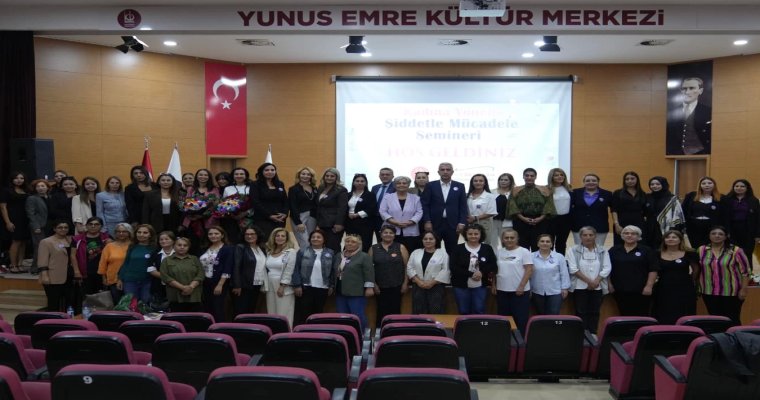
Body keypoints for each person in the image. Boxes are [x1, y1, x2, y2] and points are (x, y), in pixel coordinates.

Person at [696, 226, 751, 325]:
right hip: (709, 291)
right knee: (715, 320)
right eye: (713, 233)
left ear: (726, 236)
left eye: (720, 234)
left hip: (731, 292)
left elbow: (746, 272)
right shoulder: (701, 250)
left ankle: (735, 335)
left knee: (732, 319)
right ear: (709, 236)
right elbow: (697, 268)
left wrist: (744, 289)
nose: (717, 236)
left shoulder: (736, 250)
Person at [567, 226, 611, 335]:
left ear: (595, 236)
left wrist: (596, 281)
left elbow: (607, 268)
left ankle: (593, 334)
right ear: (580, 237)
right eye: (585, 235)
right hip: (579, 287)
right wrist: (589, 282)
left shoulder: (603, 250)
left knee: (595, 312)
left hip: (597, 286)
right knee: (580, 312)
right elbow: (573, 269)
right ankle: (581, 335)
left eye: (591, 235)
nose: (588, 237)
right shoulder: (573, 250)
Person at [608, 225, 658, 317]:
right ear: (622, 236)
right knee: (624, 314)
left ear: (638, 236)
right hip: (619, 289)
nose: (629, 235)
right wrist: (609, 284)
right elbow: (607, 268)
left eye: (633, 234)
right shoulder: (614, 250)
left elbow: (653, 269)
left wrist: (649, 286)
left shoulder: (646, 250)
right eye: (626, 233)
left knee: (641, 315)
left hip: (641, 290)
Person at [292, 229, 339, 325]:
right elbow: (295, 269)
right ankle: (302, 332)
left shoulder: (330, 253)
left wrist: (331, 285)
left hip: (323, 288)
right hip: (305, 287)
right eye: (313, 237)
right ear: (310, 239)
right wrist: (297, 285)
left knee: (318, 314)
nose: (315, 239)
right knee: (303, 313)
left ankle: (315, 332)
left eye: (318, 237)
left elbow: (333, 271)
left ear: (324, 239)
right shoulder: (302, 251)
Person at [492, 229, 533, 334]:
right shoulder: (499, 252)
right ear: (502, 239)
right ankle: (505, 339)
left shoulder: (524, 251)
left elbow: (529, 270)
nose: (509, 240)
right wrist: (494, 284)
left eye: (512, 237)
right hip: (502, 290)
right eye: (506, 238)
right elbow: (495, 270)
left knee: (520, 319)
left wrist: (521, 286)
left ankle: (520, 340)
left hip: (519, 291)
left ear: (517, 239)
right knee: (504, 319)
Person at [421, 162, 468, 254]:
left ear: (452, 172)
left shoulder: (460, 186)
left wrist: (462, 222)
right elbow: (425, 205)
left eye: (448, 170)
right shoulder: (430, 185)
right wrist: (427, 221)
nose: (445, 172)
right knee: (433, 249)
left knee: (452, 250)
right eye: (442, 170)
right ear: (438, 172)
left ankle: (451, 264)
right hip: (434, 224)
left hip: (453, 224)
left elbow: (463, 206)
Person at [652, 230, 698, 324]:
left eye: (674, 237)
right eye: (668, 237)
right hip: (663, 287)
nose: (670, 239)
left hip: (684, 287)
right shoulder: (656, 254)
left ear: (680, 240)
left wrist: (690, 281)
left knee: (684, 311)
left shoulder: (690, 253)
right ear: (664, 240)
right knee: (663, 311)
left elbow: (696, 270)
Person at [450, 224, 497, 315]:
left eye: (476, 234)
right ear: (465, 234)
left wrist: (481, 273)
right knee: (463, 310)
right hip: (461, 286)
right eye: (470, 234)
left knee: (479, 310)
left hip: (480, 286)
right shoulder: (457, 248)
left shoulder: (487, 248)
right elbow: (453, 267)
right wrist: (471, 274)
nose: (473, 236)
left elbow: (493, 265)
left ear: (481, 234)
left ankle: (477, 325)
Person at [370, 225, 409, 327]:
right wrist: (374, 284)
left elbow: (407, 267)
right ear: (381, 234)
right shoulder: (373, 248)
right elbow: (369, 269)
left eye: (391, 233)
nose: (388, 235)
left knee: (395, 310)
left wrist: (405, 283)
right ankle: (380, 332)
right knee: (381, 311)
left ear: (394, 235)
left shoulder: (400, 247)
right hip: (380, 287)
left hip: (397, 285)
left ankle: (395, 332)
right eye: (385, 232)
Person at [508, 168, 556, 251]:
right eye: (527, 175)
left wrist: (540, 218)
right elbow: (512, 206)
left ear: (535, 177)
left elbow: (549, 205)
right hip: (521, 221)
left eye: (532, 176)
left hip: (540, 221)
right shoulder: (515, 190)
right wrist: (523, 218)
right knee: (522, 246)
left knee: (538, 245)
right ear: (523, 177)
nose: (529, 177)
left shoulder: (544, 189)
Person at [334, 234, 374, 331]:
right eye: (347, 241)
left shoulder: (364, 256)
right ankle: (345, 335)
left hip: (356, 292)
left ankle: (362, 335)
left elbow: (369, 272)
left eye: (353, 242)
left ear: (359, 244)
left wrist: (369, 288)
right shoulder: (339, 255)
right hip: (340, 291)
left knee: (357, 316)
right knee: (342, 316)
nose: (350, 243)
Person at [38, 220, 79, 312]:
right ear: (54, 229)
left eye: (65, 227)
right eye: (60, 227)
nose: (63, 229)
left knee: (69, 302)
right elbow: (42, 260)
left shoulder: (71, 240)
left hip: (69, 275)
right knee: (54, 302)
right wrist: (44, 275)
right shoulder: (46, 242)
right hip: (53, 276)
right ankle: (53, 319)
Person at [666, 77, 712, 155]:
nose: (687, 92)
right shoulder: (671, 113)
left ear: (700, 91)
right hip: (676, 154)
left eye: (691, 88)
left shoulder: (709, 111)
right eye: (684, 89)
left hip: (702, 153)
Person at [407, 231, 450, 314]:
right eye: (425, 239)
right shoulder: (415, 252)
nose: (428, 241)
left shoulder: (443, 254)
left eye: (431, 239)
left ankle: (436, 323)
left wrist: (432, 282)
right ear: (422, 240)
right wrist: (419, 282)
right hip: (418, 286)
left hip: (436, 287)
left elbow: (445, 270)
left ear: (436, 240)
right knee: (419, 310)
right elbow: (410, 268)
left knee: (436, 310)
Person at [719, 179, 760, 267]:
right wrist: (725, 231)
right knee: (732, 253)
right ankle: (733, 273)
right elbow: (723, 216)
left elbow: (758, 218)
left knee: (747, 253)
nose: (739, 188)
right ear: (733, 188)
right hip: (731, 230)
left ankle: (748, 273)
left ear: (747, 188)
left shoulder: (754, 200)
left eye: (742, 186)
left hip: (748, 231)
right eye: (737, 186)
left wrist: (757, 234)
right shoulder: (727, 199)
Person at [379, 175, 423, 253]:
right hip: (391, 230)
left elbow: (419, 212)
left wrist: (410, 222)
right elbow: (382, 211)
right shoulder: (387, 197)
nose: (401, 185)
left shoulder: (415, 198)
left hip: (411, 231)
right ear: (395, 185)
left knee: (410, 252)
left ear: (408, 185)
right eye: (398, 183)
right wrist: (394, 222)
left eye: (404, 183)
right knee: (391, 254)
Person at [199, 226, 234, 322]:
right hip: (205, 282)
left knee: (218, 308)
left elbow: (228, 268)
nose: (213, 236)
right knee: (207, 308)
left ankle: (219, 328)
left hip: (219, 282)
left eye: (216, 233)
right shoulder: (205, 248)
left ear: (222, 235)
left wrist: (220, 284)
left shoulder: (227, 249)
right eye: (210, 234)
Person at [161, 237, 204, 312]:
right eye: (179, 245)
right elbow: (165, 277)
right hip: (175, 296)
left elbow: (201, 274)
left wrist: (191, 287)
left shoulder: (194, 259)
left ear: (188, 247)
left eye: (185, 245)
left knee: (194, 317)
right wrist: (183, 288)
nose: (182, 247)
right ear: (174, 246)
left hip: (194, 295)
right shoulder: (167, 260)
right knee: (177, 317)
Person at [530, 234, 570, 315]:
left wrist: (565, 288)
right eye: (542, 241)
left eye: (548, 241)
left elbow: (564, 273)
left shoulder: (559, 257)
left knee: (553, 315)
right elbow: (528, 274)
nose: (545, 243)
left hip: (555, 291)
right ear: (538, 244)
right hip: (537, 291)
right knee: (540, 315)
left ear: (551, 244)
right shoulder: (531, 256)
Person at [264, 227, 297, 326]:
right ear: (273, 238)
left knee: (283, 313)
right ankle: (274, 333)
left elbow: (289, 270)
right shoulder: (269, 252)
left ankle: (286, 333)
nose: (280, 238)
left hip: (283, 285)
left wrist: (282, 286)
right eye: (277, 236)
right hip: (270, 284)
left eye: (283, 236)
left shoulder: (291, 252)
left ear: (287, 238)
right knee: (271, 312)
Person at [232, 225, 267, 316]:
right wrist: (237, 285)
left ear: (257, 235)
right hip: (244, 285)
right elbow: (236, 266)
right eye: (246, 234)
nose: (249, 236)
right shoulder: (240, 247)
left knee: (251, 310)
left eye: (252, 234)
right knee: (240, 311)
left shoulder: (261, 248)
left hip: (257, 284)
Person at [181, 168, 219, 250]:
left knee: (206, 243)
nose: (203, 177)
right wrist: (191, 214)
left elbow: (216, 205)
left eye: (205, 175)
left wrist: (202, 215)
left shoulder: (214, 189)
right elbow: (187, 203)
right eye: (200, 175)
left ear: (209, 177)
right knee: (193, 243)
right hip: (192, 220)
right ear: (197, 177)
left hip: (207, 220)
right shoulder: (191, 189)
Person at [117, 224, 157, 304]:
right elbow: (126, 263)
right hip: (130, 281)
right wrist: (120, 279)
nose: (141, 235)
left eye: (145, 233)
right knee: (131, 305)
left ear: (150, 235)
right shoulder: (132, 246)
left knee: (146, 304)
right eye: (139, 232)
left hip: (147, 281)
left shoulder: (155, 248)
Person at [71, 217, 111, 295]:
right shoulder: (77, 239)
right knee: (86, 297)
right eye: (90, 224)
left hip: (103, 273)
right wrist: (76, 271)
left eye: (96, 224)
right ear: (86, 225)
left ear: (101, 226)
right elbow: (73, 256)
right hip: (85, 273)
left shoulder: (107, 238)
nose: (93, 226)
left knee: (103, 297)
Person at [570, 173, 612, 247]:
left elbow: (614, 209)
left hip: (600, 226)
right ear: (584, 182)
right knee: (579, 248)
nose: (591, 182)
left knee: (598, 248)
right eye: (588, 180)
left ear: (598, 182)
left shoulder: (607, 194)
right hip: (579, 226)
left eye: (594, 180)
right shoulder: (575, 192)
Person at [1, 172, 30, 274]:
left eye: (21, 178)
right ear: (12, 179)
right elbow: (3, 207)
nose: (19, 180)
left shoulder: (26, 190)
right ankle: (13, 265)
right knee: (16, 241)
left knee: (23, 242)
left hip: (25, 218)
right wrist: (8, 222)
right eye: (16, 178)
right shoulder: (6, 190)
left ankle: (20, 264)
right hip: (13, 218)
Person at [250, 163, 289, 240]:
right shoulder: (255, 184)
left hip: (279, 218)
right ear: (261, 172)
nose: (270, 172)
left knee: (278, 240)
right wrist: (269, 215)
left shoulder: (280, 184)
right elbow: (255, 202)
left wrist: (285, 213)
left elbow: (285, 200)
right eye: (267, 170)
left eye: (272, 170)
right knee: (265, 240)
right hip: (263, 218)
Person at [644, 176, 685, 249]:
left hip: (667, 227)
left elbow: (678, 216)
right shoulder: (647, 197)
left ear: (663, 184)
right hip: (649, 227)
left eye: (658, 184)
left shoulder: (672, 199)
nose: (654, 186)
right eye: (652, 184)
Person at [98, 222, 133, 303]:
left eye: (124, 231)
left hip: (131, 280)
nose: (121, 233)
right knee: (116, 304)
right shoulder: (109, 246)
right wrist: (104, 279)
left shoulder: (134, 246)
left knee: (131, 304)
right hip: (113, 279)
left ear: (129, 232)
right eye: (118, 231)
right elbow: (102, 264)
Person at [315, 168, 348, 253]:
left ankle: (336, 262)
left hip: (334, 224)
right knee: (324, 246)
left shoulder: (341, 190)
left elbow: (342, 208)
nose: (329, 178)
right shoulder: (321, 188)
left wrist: (339, 223)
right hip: (322, 223)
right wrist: (317, 223)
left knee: (333, 247)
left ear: (336, 177)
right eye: (327, 176)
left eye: (332, 176)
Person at [682, 176, 721, 249]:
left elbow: (724, 215)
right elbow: (684, 211)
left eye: (709, 183)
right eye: (704, 183)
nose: (707, 185)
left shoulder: (721, 198)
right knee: (694, 247)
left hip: (712, 226)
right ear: (700, 185)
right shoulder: (691, 196)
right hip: (693, 226)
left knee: (708, 247)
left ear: (714, 185)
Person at [611, 171, 647, 246]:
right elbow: (614, 210)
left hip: (638, 222)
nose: (630, 181)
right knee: (620, 244)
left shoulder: (642, 194)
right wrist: (616, 224)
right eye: (627, 179)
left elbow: (645, 211)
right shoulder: (618, 193)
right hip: (622, 222)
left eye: (632, 179)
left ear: (637, 180)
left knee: (639, 244)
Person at [344, 173, 377, 252]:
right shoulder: (348, 194)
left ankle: (364, 258)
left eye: (362, 181)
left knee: (364, 244)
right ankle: (349, 258)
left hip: (365, 223)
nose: (359, 183)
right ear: (353, 182)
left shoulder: (370, 195)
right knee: (350, 243)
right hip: (350, 223)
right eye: (357, 181)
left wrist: (357, 214)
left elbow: (371, 208)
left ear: (366, 183)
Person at [26, 179, 53, 275]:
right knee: (39, 247)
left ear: (47, 187)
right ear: (35, 188)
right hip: (39, 226)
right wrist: (35, 226)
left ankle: (47, 267)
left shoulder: (50, 197)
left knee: (50, 247)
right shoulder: (32, 198)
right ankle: (35, 268)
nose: (40, 188)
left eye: (43, 186)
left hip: (51, 226)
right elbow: (30, 214)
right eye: (38, 186)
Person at [219, 168, 252, 245]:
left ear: (246, 176)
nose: (239, 176)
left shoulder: (251, 187)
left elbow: (254, 203)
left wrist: (246, 213)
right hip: (231, 219)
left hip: (248, 218)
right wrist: (232, 214)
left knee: (247, 240)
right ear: (233, 176)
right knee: (233, 240)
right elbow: (224, 204)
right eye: (236, 174)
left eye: (241, 174)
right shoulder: (228, 188)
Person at [288, 166, 318, 250]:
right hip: (299, 218)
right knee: (305, 242)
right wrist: (298, 222)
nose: (305, 176)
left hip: (312, 217)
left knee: (312, 241)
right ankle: (305, 258)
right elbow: (292, 206)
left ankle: (311, 258)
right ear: (299, 175)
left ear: (311, 177)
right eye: (303, 174)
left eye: (308, 174)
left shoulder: (315, 188)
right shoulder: (293, 189)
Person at [466, 174, 498, 248]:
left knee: (484, 245)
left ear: (485, 183)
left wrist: (475, 218)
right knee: (470, 245)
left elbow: (491, 212)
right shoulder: (467, 196)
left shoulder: (490, 196)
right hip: (469, 224)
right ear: (472, 183)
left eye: (481, 181)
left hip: (484, 223)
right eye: (475, 181)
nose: (478, 182)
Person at [147, 230, 175, 308]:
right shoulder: (155, 253)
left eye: (166, 239)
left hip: (176, 286)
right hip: (159, 286)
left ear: (173, 241)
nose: (163, 241)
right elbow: (151, 269)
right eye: (161, 239)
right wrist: (167, 278)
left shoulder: (179, 253)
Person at [547, 168, 572, 255]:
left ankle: (560, 260)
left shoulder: (569, 188)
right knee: (549, 243)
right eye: (556, 175)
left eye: (561, 175)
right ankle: (548, 261)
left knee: (561, 243)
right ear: (551, 177)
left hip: (566, 219)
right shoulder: (547, 189)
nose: (559, 177)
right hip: (551, 219)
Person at [371, 167, 396, 239]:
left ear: (392, 176)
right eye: (382, 174)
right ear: (379, 176)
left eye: (387, 174)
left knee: (389, 239)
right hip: (375, 218)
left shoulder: (396, 187)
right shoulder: (375, 187)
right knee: (379, 238)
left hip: (390, 218)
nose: (385, 176)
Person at [493, 172, 515, 250]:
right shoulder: (492, 192)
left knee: (507, 244)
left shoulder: (514, 193)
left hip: (508, 222)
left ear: (510, 181)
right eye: (501, 180)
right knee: (493, 243)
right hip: (493, 222)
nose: (503, 181)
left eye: (506, 180)